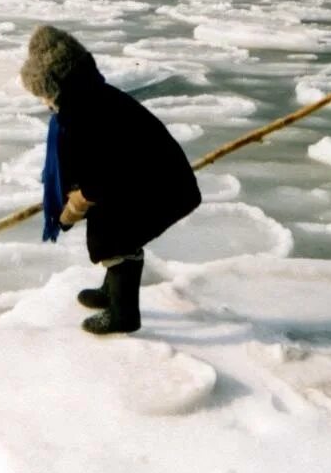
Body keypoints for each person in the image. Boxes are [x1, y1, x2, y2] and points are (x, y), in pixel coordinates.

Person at [20, 25, 201, 335]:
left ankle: (124, 315)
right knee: (113, 236)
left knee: (116, 239)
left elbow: (98, 176)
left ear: (59, 85)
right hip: (138, 178)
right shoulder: (90, 98)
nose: (44, 103)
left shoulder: (85, 116)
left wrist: (71, 208)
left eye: (45, 94)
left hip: (156, 184)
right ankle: (112, 292)